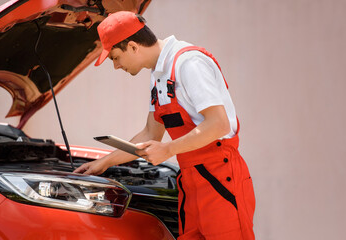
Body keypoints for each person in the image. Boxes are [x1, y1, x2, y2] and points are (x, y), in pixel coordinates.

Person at [74, 11, 255, 240]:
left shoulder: (188, 63)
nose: (116, 67)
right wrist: (103, 163)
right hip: (191, 180)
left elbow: (219, 124)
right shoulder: (158, 75)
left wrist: (168, 150)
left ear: (132, 46)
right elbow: (151, 133)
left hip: (220, 173)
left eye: (115, 58)